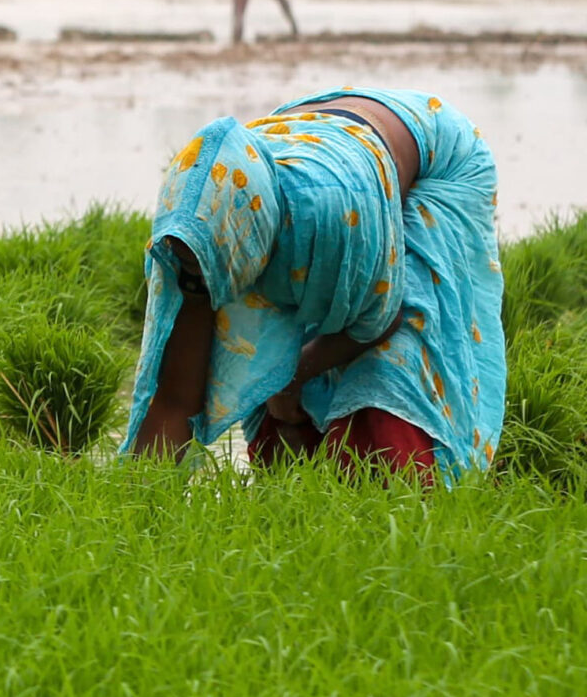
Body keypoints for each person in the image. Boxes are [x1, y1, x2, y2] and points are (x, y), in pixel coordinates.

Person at [123, 88, 505, 483]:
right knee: (267, 361)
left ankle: (406, 491)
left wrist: (292, 377)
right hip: (306, 152)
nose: (197, 280)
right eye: (192, 269)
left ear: (246, 242)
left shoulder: (335, 218)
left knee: (390, 372)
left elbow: (380, 320)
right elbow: (174, 398)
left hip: (429, 157)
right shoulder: (192, 236)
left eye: (204, 269)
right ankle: (297, 488)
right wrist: (141, 500)